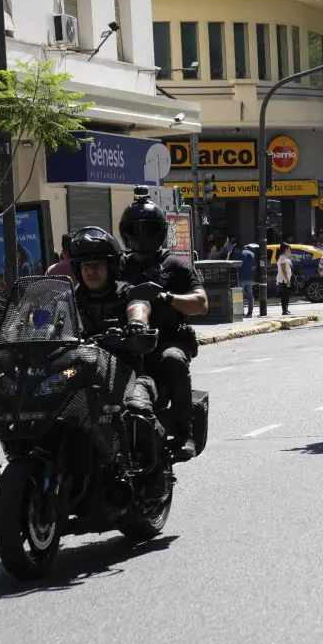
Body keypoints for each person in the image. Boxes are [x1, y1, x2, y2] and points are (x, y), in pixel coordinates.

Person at [68, 227, 166, 487]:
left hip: (126, 376)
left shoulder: (127, 293)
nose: (90, 271)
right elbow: (46, 323)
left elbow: (139, 307)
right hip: (78, 378)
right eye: (85, 265)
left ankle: (154, 475)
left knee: (137, 410)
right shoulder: (68, 300)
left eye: (97, 265)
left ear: (111, 267)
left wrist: (137, 323)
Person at [117, 193, 209, 463]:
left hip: (166, 339)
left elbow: (201, 303)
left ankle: (184, 433)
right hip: (125, 339)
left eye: (148, 229)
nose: (141, 235)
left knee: (174, 361)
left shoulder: (177, 267)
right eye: (136, 229)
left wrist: (167, 297)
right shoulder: (117, 267)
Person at [239, 242, 258, 317]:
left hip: (241, 277)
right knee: (250, 295)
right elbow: (253, 267)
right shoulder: (252, 254)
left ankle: (242, 312)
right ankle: (250, 313)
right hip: (249, 277)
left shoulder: (238, 254)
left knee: (241, 296)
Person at [275, 243, 294, 315]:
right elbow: (283, 270)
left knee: (288, 294)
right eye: (289, 249)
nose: (290, 251)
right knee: (284, 295)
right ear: (285, 250)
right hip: (283, 279)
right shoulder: (282, 258)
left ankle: (286, 309)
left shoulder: (285, 257)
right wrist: (288, 280)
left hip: (287, 278)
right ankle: (284, 310)